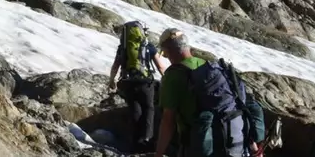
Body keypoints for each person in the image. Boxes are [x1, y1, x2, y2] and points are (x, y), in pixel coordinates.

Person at [154, 28, 263, 157]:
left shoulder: (173, 76)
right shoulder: (210, 66)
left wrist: (159, 154)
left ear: (169, 51)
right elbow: (236, 103)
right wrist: (254, 148)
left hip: (201, 146)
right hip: (235, 143)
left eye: (165, 53)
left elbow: (168, 121)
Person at [108, 21, 166, 153]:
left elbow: (116, 65)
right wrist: (167, 79)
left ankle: (134, 144)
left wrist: (112, 80)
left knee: (135, 110)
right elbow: (160, 66)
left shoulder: (123, 47)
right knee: (149, 109)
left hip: (128, 82)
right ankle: (147, 140)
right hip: (146, 83)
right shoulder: (148, 46)